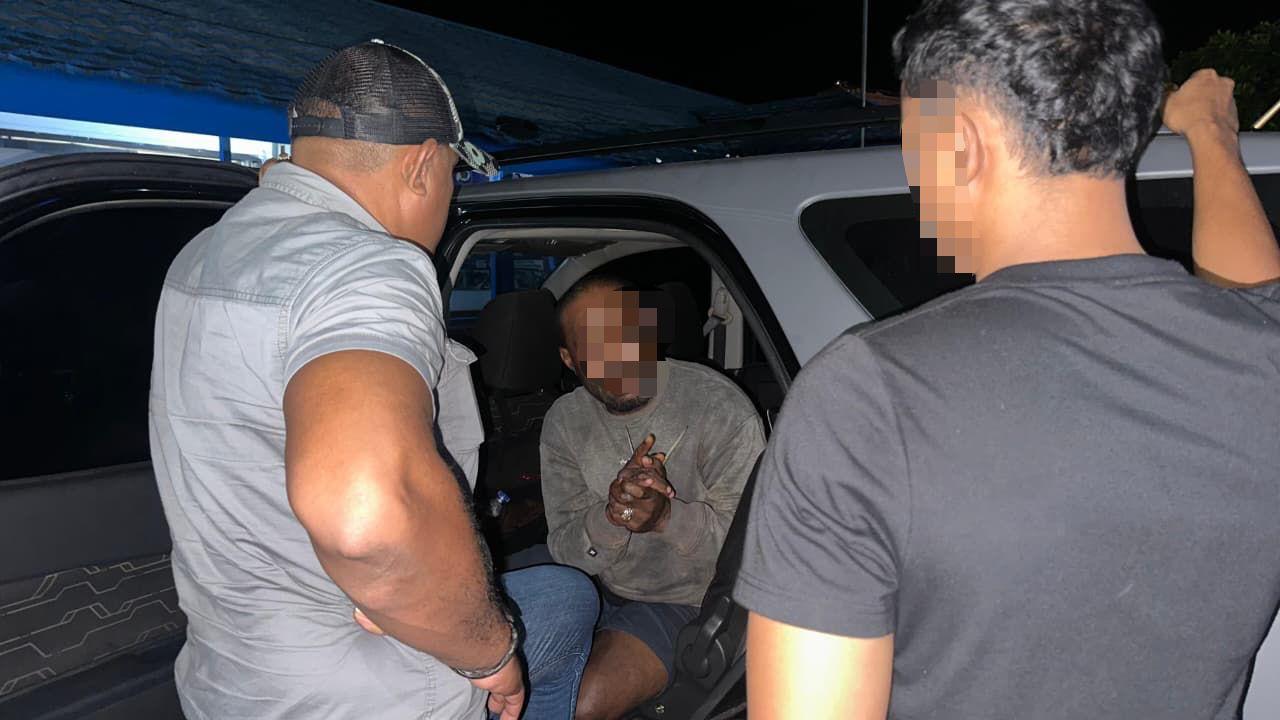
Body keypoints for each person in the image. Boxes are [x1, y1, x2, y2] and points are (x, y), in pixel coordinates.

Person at [732, 1, 1280, 718]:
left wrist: (1209, 134)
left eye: (909, 145)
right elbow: (1254, 290)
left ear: (957, 143)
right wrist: (1211, 135)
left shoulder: (867, 396)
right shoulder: (1261, 357)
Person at [149, 40, 597, 720]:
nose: (449, 200)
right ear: (421, 165)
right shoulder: (369, 266)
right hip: (370, 694)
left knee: (564, 599)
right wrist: (490, 653)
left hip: (232, 682)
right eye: (452, 177)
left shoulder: (204, 252)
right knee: (548, 623)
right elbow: (367, 515)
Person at [539, 275, 766, 719]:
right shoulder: (565, 422)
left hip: (691, 601)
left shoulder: (718, 407)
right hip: (600, 585)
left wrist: (665, 519)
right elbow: (564, 548)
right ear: (568, 359)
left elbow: (754, 557)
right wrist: (612, 519)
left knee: (579, 703)